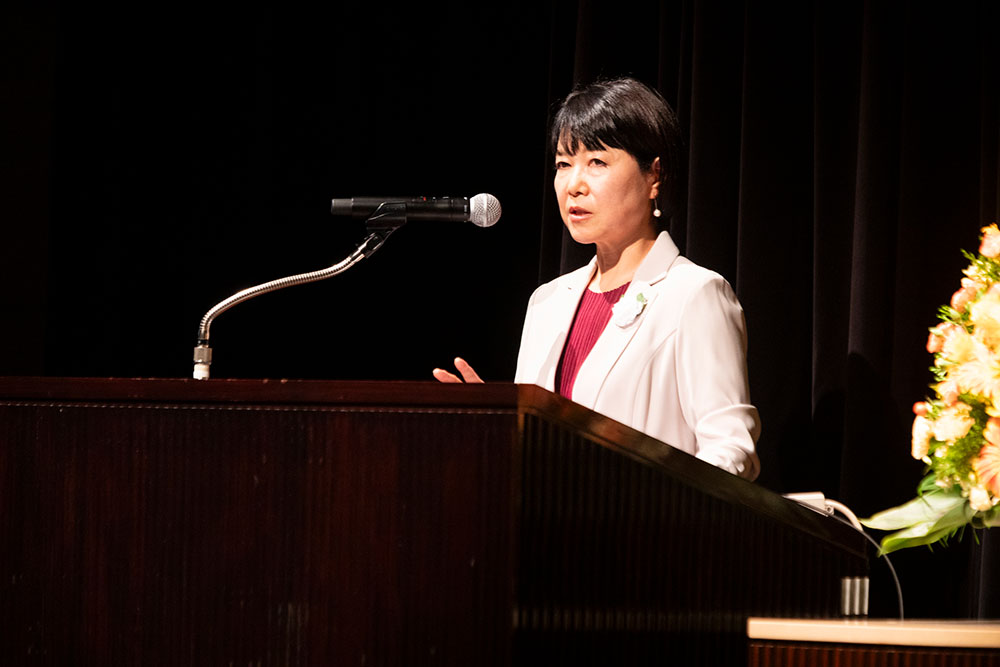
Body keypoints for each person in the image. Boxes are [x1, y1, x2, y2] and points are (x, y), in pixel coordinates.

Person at [433, 77, 760, 480]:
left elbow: (731, 451)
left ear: (655, 176)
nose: (574, 185)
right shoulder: (547, 301)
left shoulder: (694, 294)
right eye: (563, 164)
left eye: (597, 162)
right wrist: (497, 425)